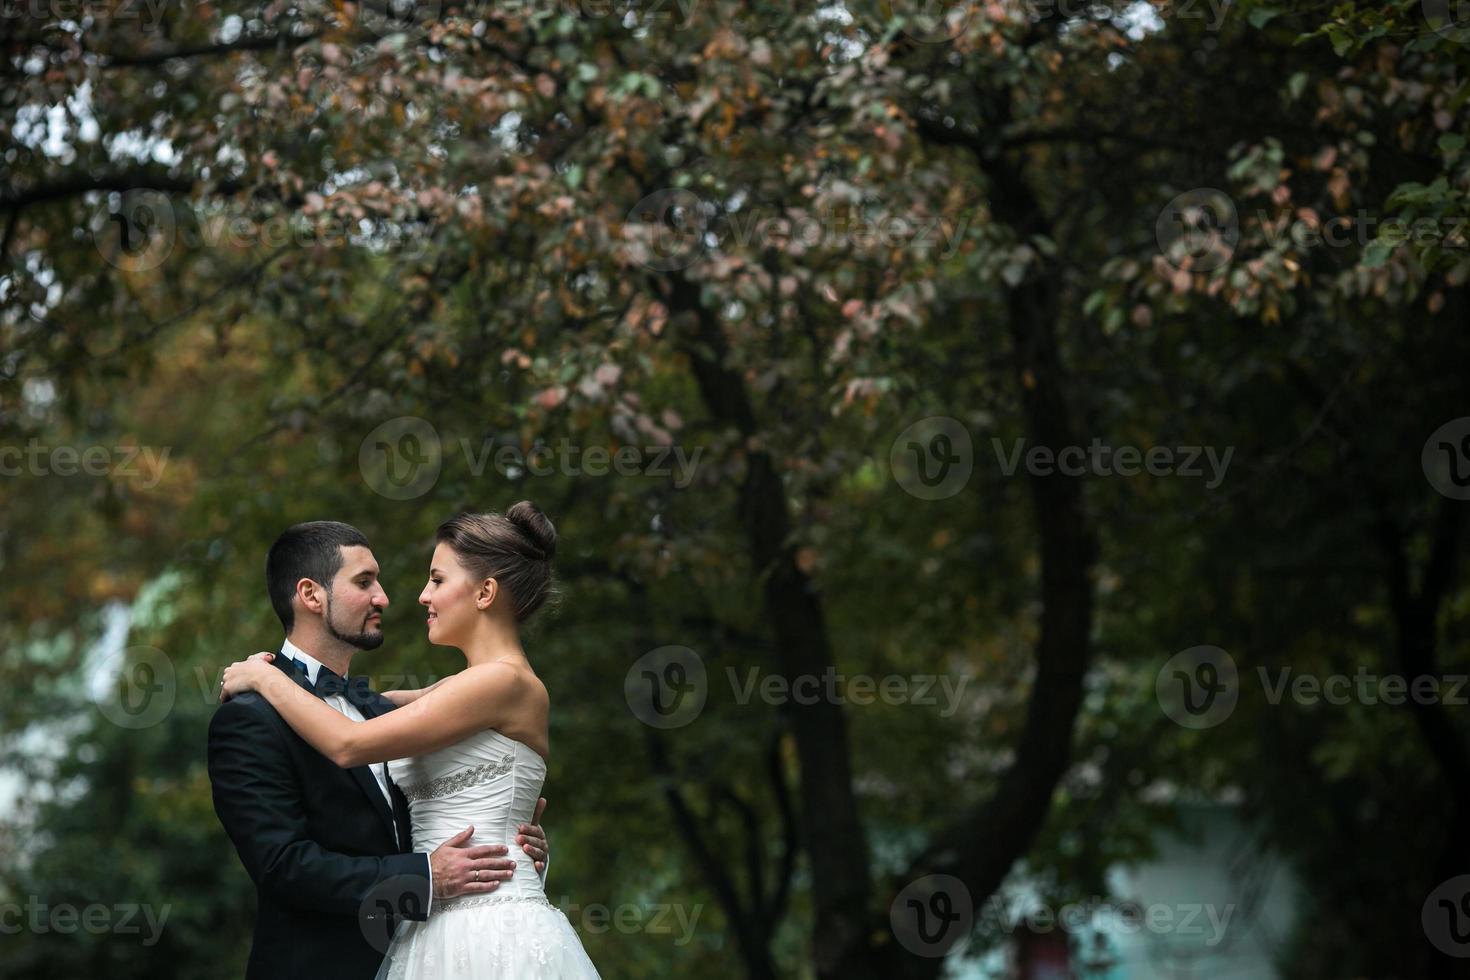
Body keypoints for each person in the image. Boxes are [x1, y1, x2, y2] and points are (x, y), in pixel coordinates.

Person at [219, 502, 601, 979]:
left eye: (437, 580)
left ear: (486, 592)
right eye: (364, 582)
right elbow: (283, 864)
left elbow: (348, 744)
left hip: (485, 934)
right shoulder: (407, 701)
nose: (409, 596)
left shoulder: (501, 683)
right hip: (401, 945)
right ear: (310, 595)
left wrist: (264, 678)